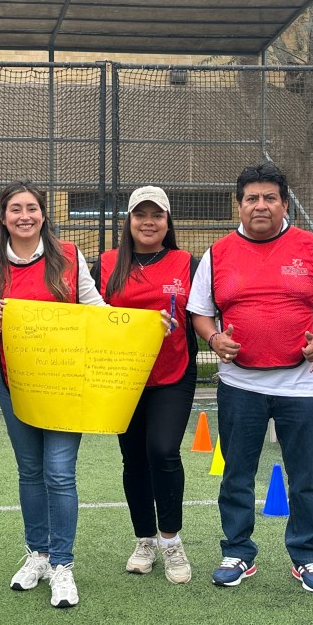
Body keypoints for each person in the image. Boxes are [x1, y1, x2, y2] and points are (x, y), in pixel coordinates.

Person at [188, 162, 313, 594]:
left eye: (270, 198)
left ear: (284, 205)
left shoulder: (312, 248)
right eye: (252, 198)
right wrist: (214, 338)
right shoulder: (217, 254)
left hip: (301, 385)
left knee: (306, 477)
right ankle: (237, 552)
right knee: (237, 475)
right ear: (239, 205)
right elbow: (200, 311)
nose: (260, 205)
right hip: (240, 384)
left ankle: (307, 556)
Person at [0, 180, 107, 608]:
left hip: (66, 385)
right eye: (15, 209)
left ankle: (63, 564)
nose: (24, 216)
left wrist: (139, 326)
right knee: (30, 472)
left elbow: (96, 309)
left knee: (59, 473)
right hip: (15, 385)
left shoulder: (69, 256)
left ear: (44, 214)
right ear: (3, 217)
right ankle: (39, 555)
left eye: (31, 208)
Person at [94, 186, 198, 584]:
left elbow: (203, 312)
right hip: (123, 377)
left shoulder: (186, 263)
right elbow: (89, 315)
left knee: (163, 450)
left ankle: (171, 541)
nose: (149, 222)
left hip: (173, 373)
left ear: (168, 222)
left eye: (157, 215)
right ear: (130, 221)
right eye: (141, 215)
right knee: (134, 459)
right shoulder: (107, 264)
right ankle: (144, 540)